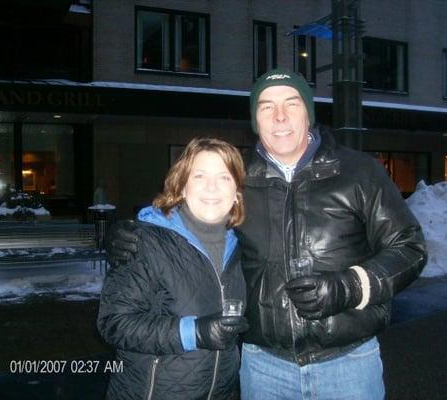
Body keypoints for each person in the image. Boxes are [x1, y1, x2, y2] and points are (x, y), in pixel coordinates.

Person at [108, 69, 428, 400]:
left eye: (292, 104)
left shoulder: (358, 171)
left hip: (348, 365)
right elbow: (191, 217)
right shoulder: (238, 178)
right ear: (255, 120)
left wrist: (347, 287)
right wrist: (134, 233)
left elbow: (410, 248)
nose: (279, 117)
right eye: (266, 106)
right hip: (263, 369)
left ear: (309, 114)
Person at [98, 137, 249, 400]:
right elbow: (114, 322)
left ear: (236, 191)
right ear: (181, 186)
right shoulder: (144, 241)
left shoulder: (242, 248)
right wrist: (195, 333)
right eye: (199, 176)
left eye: (224, 177)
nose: (212, 187)